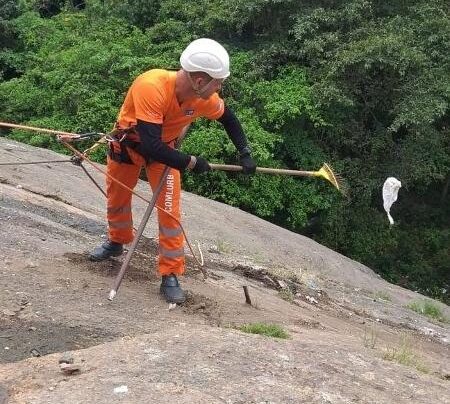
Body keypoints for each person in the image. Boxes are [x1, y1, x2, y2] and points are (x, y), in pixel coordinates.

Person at [89, 38, 256, 304]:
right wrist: (191, 161)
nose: (220, 87)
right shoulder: (151, 85)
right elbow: (150, 144)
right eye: (218, 82)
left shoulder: (203, 99)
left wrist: (245, 152)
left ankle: (170, 274)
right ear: (200, 81)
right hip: (131, 145)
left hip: (164, 150)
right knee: (118, 200)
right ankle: (116, 242)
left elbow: (229, 119)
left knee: (170, 212)